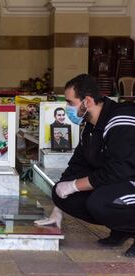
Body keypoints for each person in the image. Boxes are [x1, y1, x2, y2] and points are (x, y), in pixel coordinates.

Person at [35, 74, 135, 257]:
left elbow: (119, 170)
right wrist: (58, 208)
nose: (67, 109)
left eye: (70, 102)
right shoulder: (90, 126)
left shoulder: (121, 120)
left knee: (101, 202)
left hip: (129, 178)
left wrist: (74, 186)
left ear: (87, 101)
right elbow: (78, 165)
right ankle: (122, 228)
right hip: (120, 181)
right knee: (61, 193)